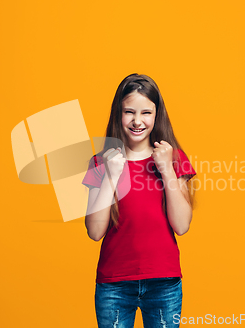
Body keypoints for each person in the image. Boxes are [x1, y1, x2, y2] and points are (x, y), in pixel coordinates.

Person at [82, 73, 197, 328]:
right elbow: (94, 231)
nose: (137, 121)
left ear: (157, 115)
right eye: (129, 112)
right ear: (118, 114)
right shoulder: (101, 162)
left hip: (163, 282)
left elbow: (182, 225)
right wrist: (110, 176)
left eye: (146, 112)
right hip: (114, 283)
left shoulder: (175, 158)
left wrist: (166, 168)